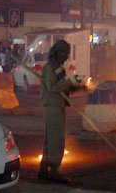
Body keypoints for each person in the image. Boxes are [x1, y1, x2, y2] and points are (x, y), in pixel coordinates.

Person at [38, 40, 84, 183]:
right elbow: (52, 87)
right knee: (56, 140)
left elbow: (61, 87)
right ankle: (54, 170)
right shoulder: (50, 68)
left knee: (51, 139)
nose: (66, 56)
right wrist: (70, 81)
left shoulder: (59, 68)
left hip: (58, 105)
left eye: (67, 53)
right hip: (52, 105)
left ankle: (44, 169)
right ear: (56, 52)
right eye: (64, 53)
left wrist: (78, 87)